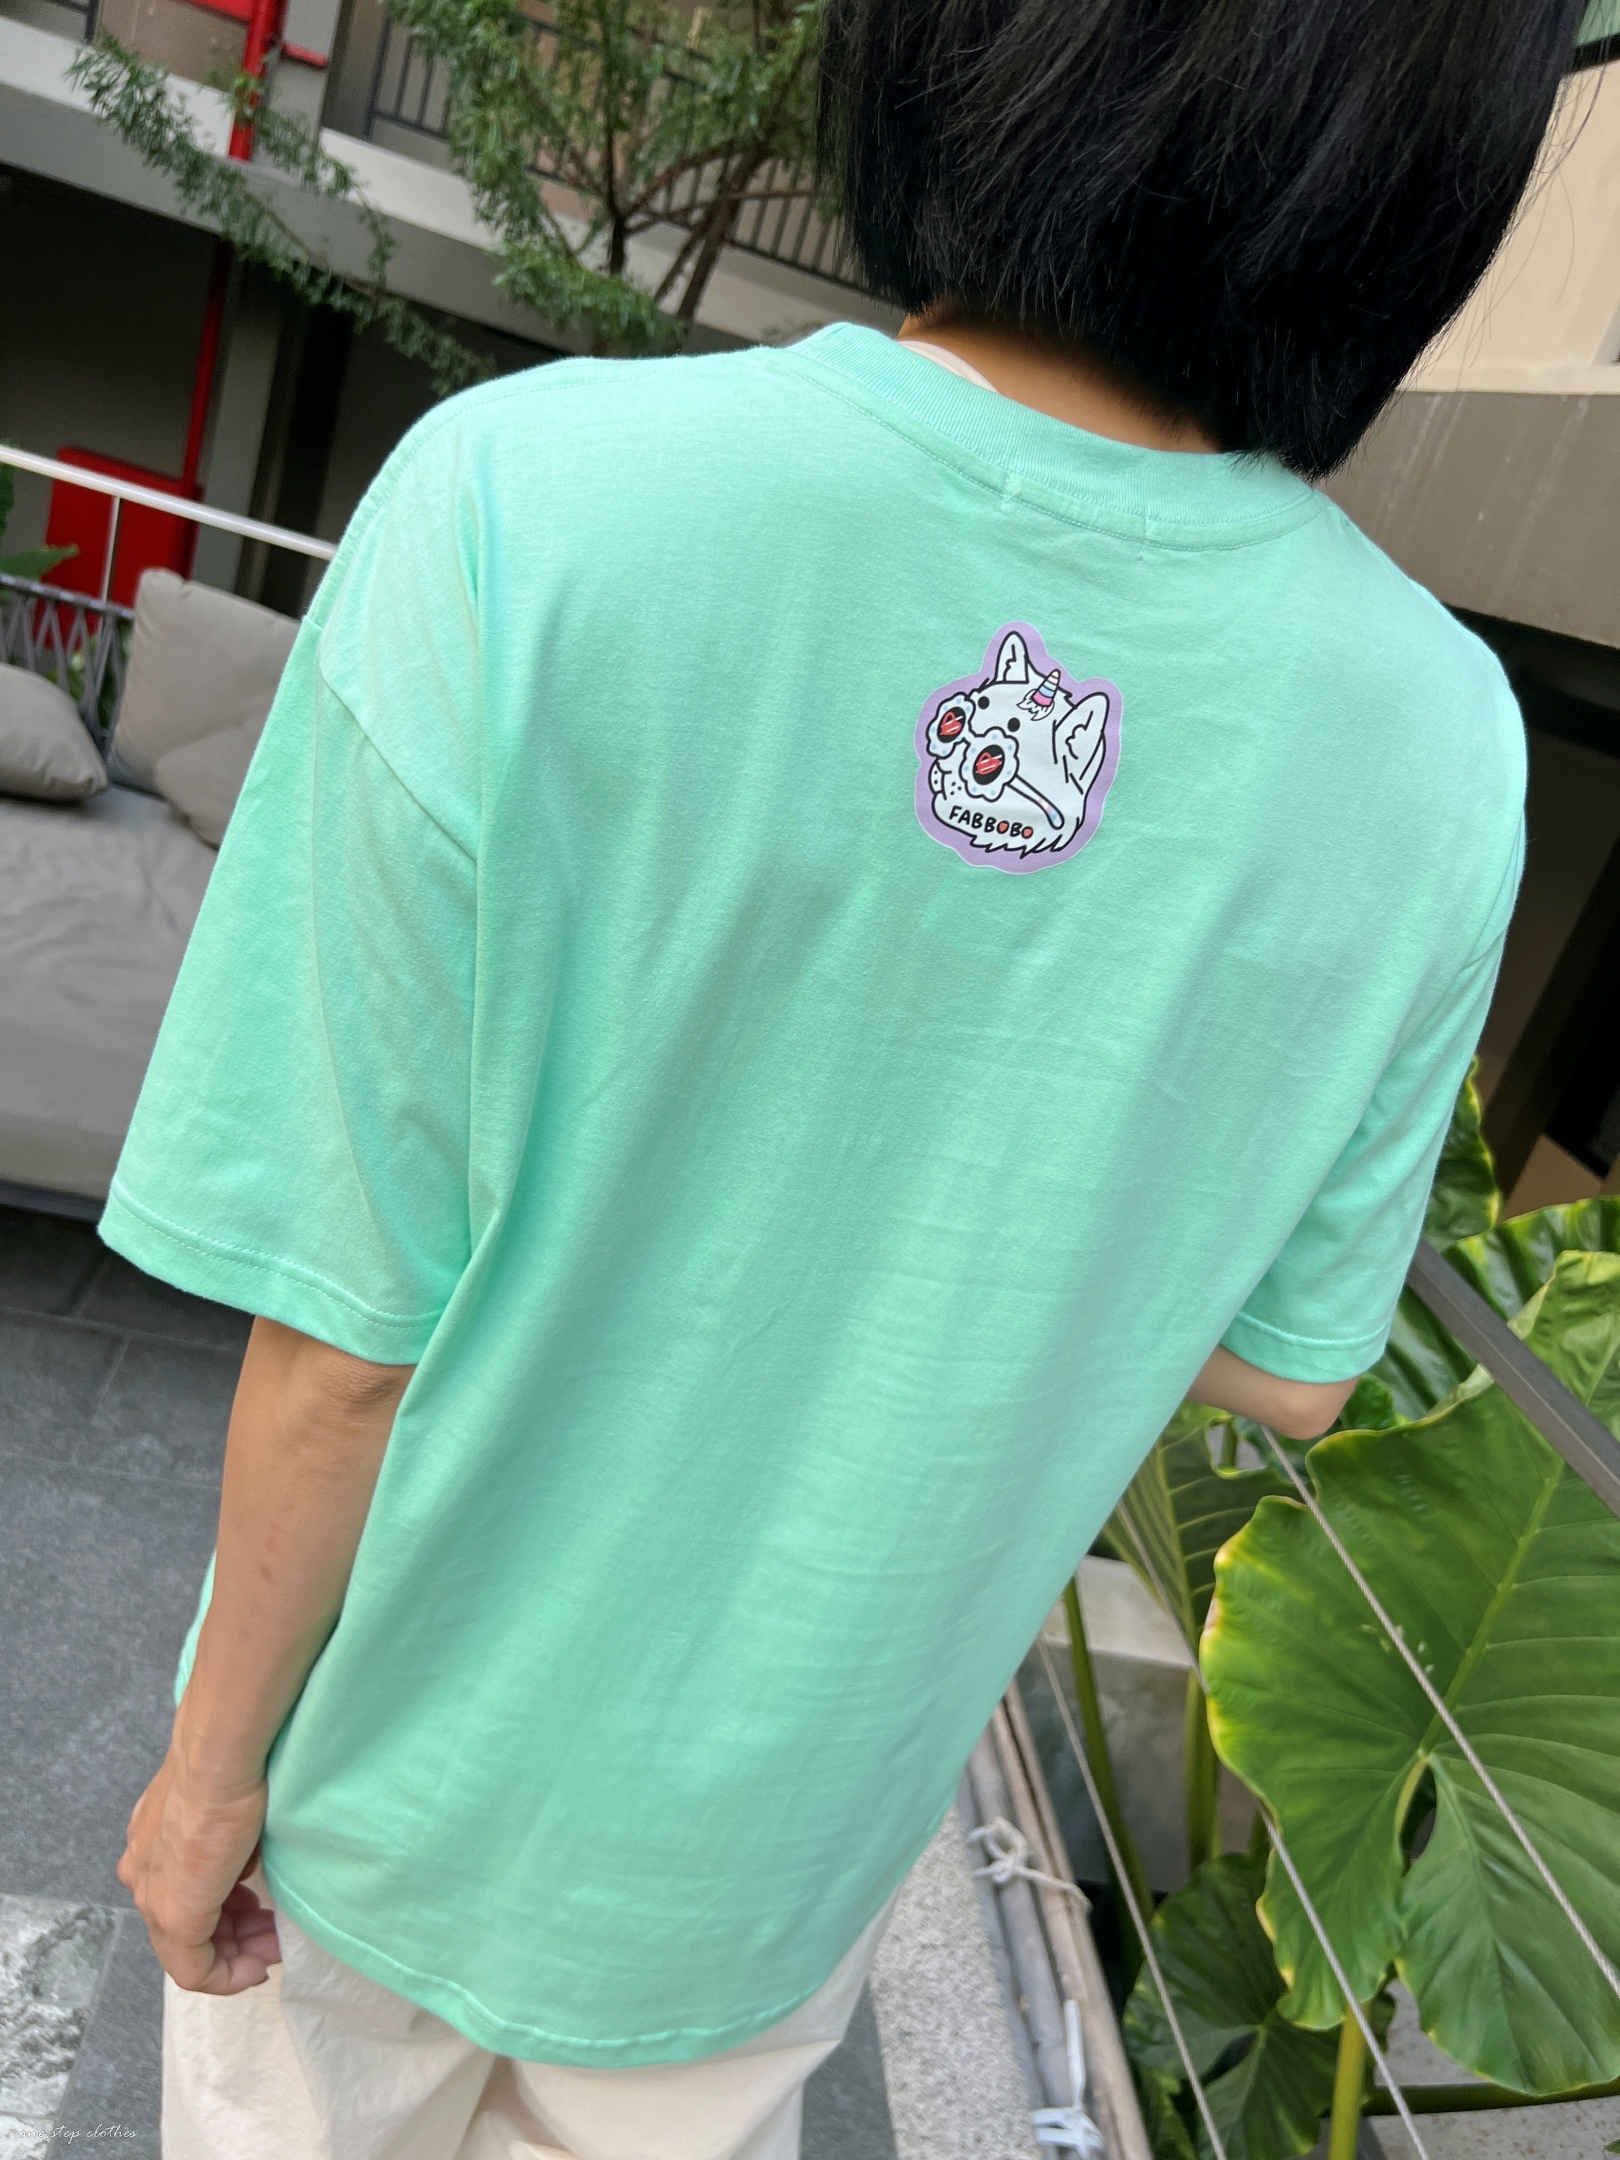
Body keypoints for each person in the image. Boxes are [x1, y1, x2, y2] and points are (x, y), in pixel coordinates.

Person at [104, 0, 1584, 2153]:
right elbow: (1284, 1374)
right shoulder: (1443, 749)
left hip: (383, 1803)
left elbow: (346, 1333)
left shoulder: (529, 504)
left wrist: (205, 1777)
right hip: (774, 1872)